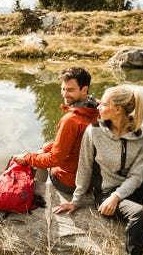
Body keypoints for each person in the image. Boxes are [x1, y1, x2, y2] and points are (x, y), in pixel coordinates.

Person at [53, 85, 143, 255]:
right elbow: (84, 168)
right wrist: (76, 201)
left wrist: (118, 196)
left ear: (118, 109)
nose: (98, 106)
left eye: (104, 103)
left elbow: (136, 176)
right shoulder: (94, 131)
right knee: (138, 214)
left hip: (130, 189)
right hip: (105, 194)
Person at [12, 67, 99, 195]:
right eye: (63, 89)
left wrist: (27, 158)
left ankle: (38, 192)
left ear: (84, 89)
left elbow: (54, 160)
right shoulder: (99, 108)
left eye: (70, 90)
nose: (65, 94)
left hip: (70, 183)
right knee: (45, 148)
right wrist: (47, 148)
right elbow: (76, 142)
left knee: (37, 159)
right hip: (91, 179)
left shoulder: (71, 120)